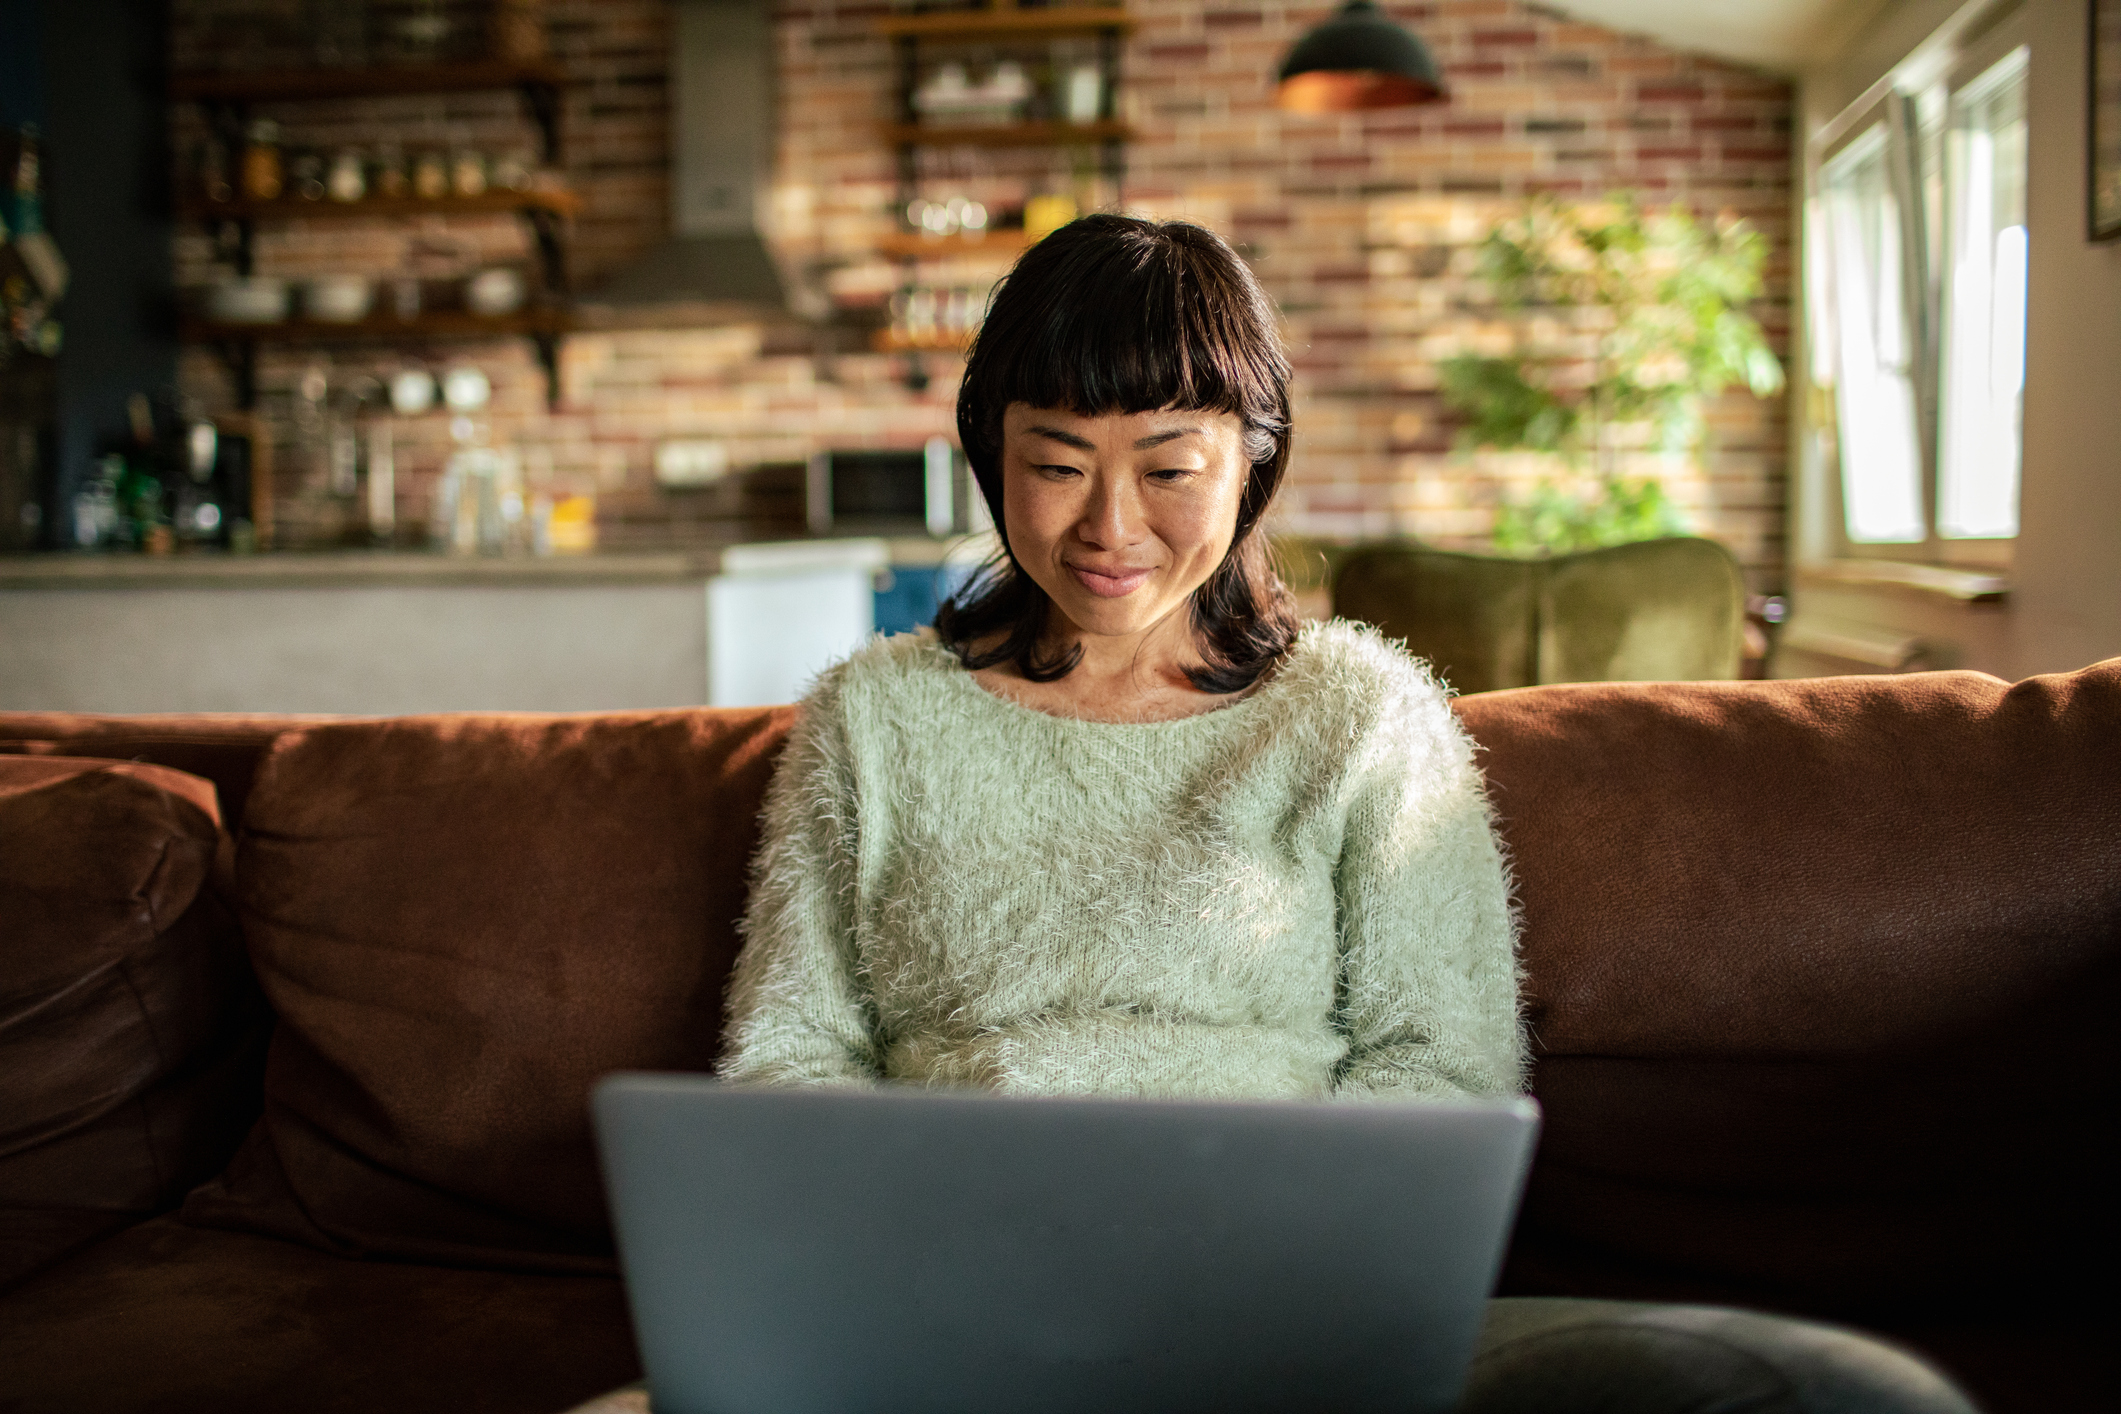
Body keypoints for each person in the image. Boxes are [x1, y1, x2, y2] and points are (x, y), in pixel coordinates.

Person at [718, 215, 1976, 1413]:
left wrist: (1288, 1259)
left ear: (1253, 463)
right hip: (959, 1305)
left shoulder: (1360, 718)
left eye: (1169, 470)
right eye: (1055, 465)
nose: (1109, 528)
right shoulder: (875, 721)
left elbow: (1444, 1062)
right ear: (991, 451)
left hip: (1291, 1302)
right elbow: (786, 1057)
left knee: (1830, 1390)